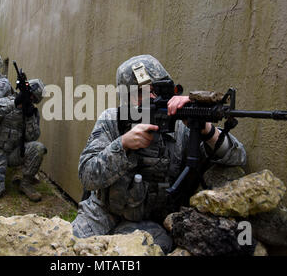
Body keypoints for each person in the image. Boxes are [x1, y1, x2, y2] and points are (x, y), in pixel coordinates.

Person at [71, 55, 247, 254]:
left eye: (157, 89)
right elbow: (87, 176)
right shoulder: (112, 120)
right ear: (125, 97)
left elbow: (238, 156)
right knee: (69, 250)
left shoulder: (182, 126)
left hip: (147, 224)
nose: (151, 97)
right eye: (141, 92)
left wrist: (205, 129)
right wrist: (122, 145)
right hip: (101, 213)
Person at [0, 79, 47, 202]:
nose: (30, 99)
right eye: (29, 96)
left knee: (38, 148)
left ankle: (25, 184)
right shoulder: (5, 101)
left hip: (13, 153)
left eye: (33, 98)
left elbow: (33, 138)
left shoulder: (32, 112)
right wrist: (14, 105)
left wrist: (29, 118)